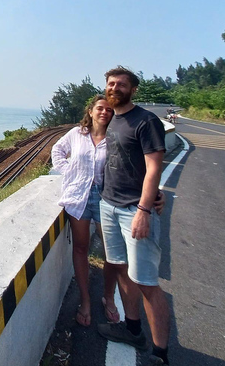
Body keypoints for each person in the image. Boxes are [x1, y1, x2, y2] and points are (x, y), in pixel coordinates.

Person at [97, 66, 171, 366]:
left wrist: (143, 209)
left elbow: (154, 168)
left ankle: (160, 354)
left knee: (147, 282)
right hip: (109, 205)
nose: (115, 88)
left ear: (133, 89)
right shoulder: (114, 118)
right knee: (122, 268)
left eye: (121, 84)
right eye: (111, 84)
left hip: (133, 211)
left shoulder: (146, 121)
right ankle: (132, 329)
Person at [51, 95, 121, 327]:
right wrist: (68, 171)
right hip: (78, 196)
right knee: (81, 247)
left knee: (112, 251)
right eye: (100, 108)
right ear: (90, 111)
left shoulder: (115, 138)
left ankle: (109, 297)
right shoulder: (76, 134)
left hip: (106, 197)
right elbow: (57, 150)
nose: (104, 112)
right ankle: (85, 300)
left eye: (109, 110)